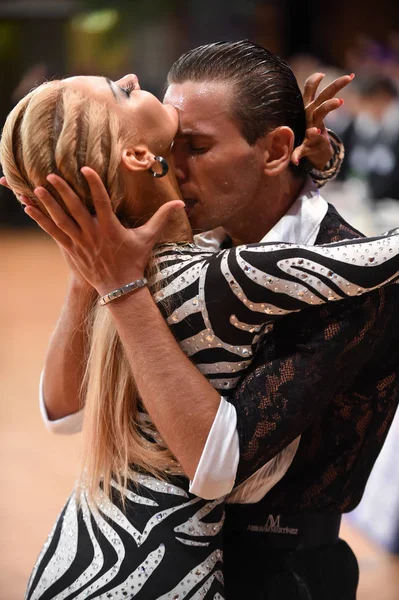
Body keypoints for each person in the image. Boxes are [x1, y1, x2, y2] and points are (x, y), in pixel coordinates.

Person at [2, 44, 397, 599]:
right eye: (168, 147)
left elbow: (220, 467)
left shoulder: (351, 286)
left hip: (286, 575)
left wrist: (113, 282)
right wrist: (86, 270)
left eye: (197, 147)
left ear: (278, 148)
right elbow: (62, 411)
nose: (172, 166)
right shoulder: (180, 240)